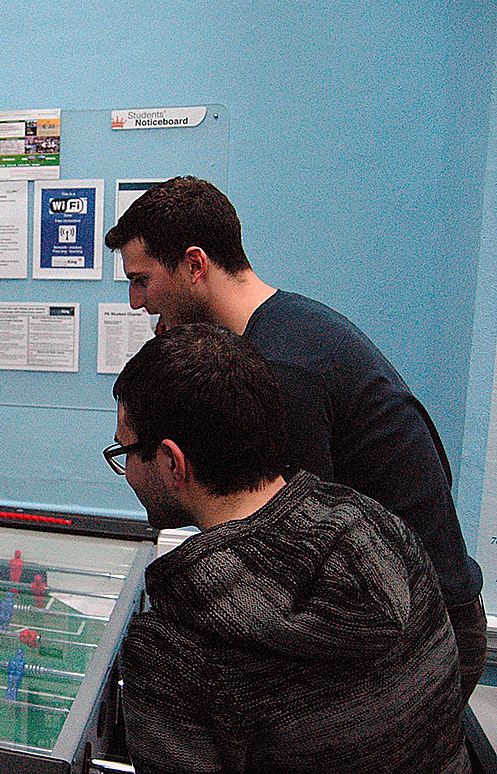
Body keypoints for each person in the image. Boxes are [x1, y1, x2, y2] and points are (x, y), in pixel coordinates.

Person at [105, 175, 486, 698]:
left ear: (194, 265)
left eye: (142, 280)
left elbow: (299, 557)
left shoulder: (283, 369)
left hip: (420, 628)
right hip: (402, 601)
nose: (135, 302)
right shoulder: (287, 324)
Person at [108, 323, 468, 773]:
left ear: (171, 462)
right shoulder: (383, 531)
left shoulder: (171, 650)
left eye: (125, 451)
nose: (127, 471)